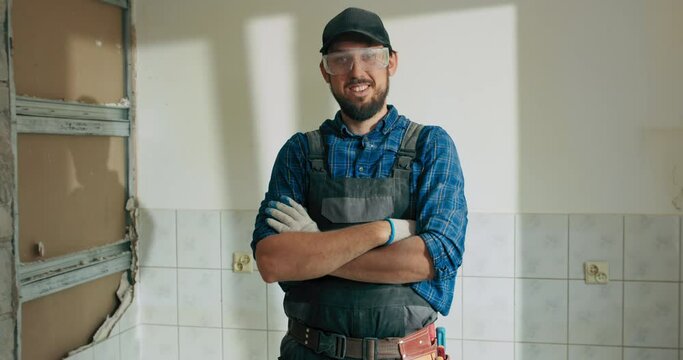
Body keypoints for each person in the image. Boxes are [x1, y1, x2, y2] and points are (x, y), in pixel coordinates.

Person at [252, 7, 467, 360]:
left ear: (391, 62)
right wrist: (383, 231)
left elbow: (430, 260)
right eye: (341, 59)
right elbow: (273, 261)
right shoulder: (300, 153)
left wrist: (316, 248)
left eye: (370, 56)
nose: (357, 71)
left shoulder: (431, 146)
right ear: (325, 71)